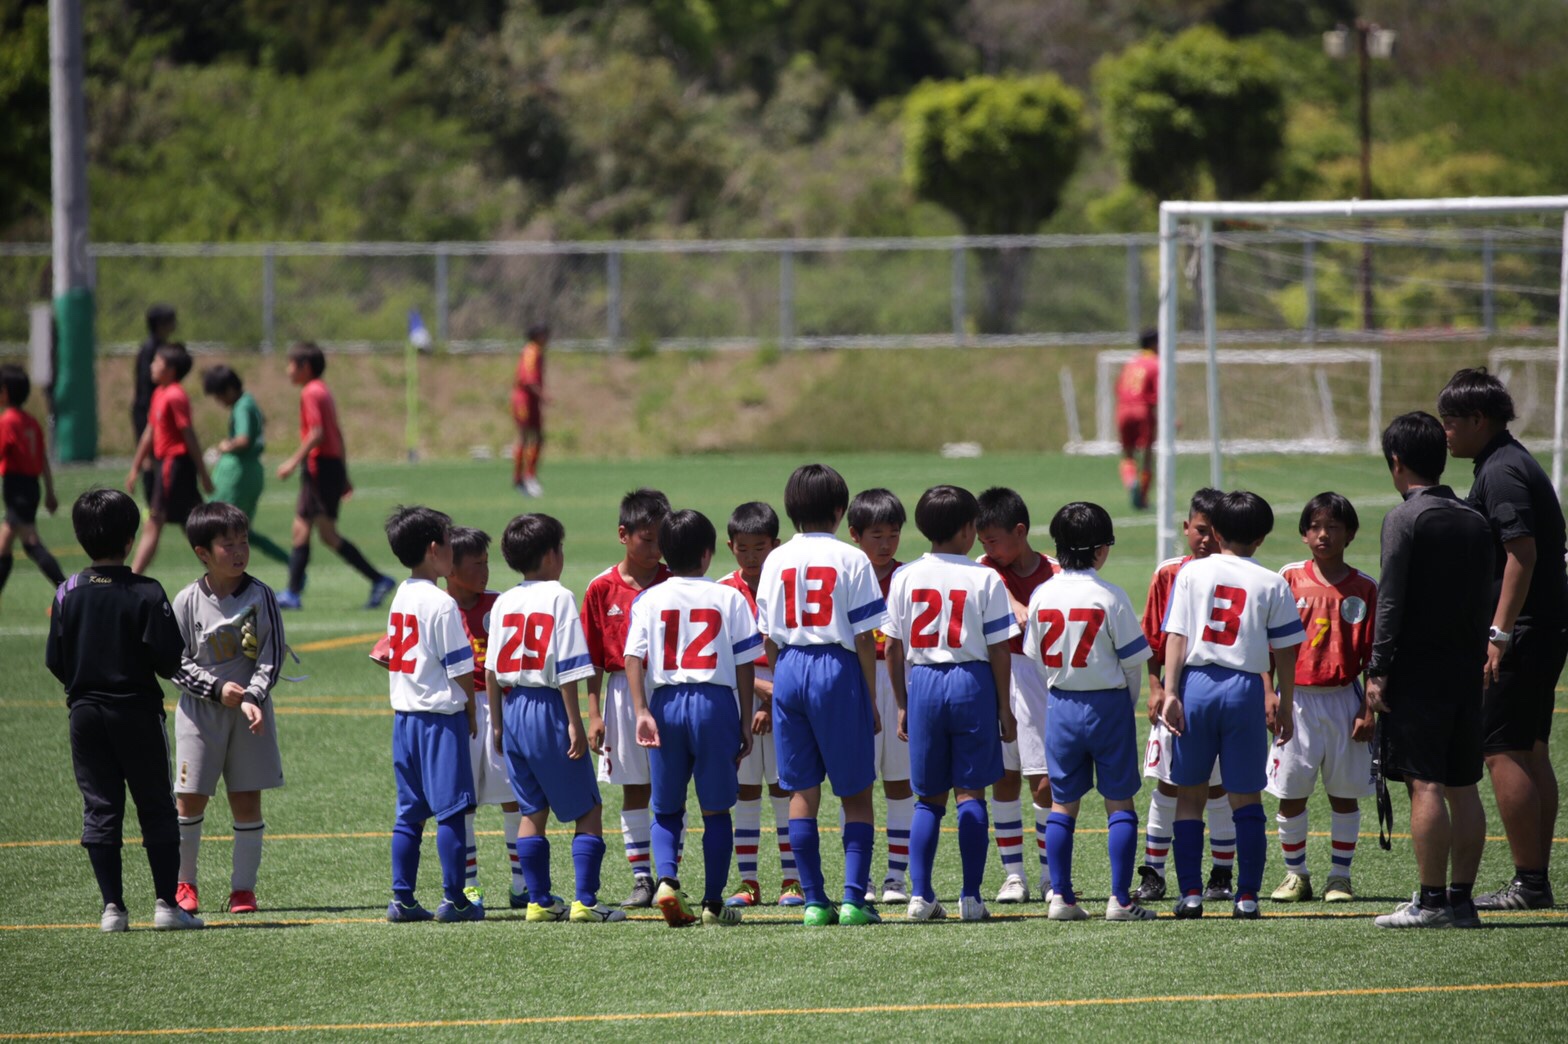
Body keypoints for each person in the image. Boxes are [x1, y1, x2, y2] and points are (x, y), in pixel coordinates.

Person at [45, 488, 203, 931]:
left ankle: (112, 908)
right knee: (155, 805)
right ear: (131, 539)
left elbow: (55, 659)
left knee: (100, 807)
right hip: (136, 711)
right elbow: (169, 660)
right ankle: (167, 905)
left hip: (84, 714)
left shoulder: (67, 592)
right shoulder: (147, 592)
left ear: (80, 538)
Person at [1439, 368, 1567, 911]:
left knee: (1502, 751)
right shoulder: (1504, 461)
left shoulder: (1503, 471)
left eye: (1450, 422)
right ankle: (1534, 880)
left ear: (1478, 419)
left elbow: (1522, 554)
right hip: (1541, 627)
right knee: (1531, 749)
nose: (1445, 432)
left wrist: (1499, 632)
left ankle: (1529, 881)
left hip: (1524, 631)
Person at [1367, 412, 1493, 929]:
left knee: (1426, 784)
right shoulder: (1474, 518)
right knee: (1464, 785)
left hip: (1419, 670)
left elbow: (1391, 600)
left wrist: (1378, 668)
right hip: (1466, 667)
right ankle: (1462, 901)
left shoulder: (1406, 518)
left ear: (1396, 462)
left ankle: (1431, 900)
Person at [1159, 490, 1304, 919]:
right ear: (1260, 538)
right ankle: (1247, 896)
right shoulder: (1272, 582)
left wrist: (1171, 691)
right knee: (1246, 798)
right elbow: (1286, 651)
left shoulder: (1192, 572)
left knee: (1190, 795)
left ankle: (1190, 894)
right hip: (1244, 688)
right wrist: (1285, 701)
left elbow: (1177, 636)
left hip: (1198, 684)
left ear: (1217, 532)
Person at [754, 463, 888, 927]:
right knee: (856, 793)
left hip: (789, 665)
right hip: (837, 666)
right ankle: (853, 900)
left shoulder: (775, 559)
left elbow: (767, 633)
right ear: (839, 510)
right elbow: (866, 636)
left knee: (801, 790)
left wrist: (784, 677)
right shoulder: (852, 558)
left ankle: (813, 901)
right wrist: (869, 696)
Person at [884, 485, 1017, 922]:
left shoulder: (905, 576)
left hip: (923, 681)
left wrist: (902, 702)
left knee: (927, 799)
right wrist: (1003, 707)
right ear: (966, 529)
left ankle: (920, 895)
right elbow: (999, 648)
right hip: (970, 681)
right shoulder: (984, 577)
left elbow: (892, 647)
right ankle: (971, 897)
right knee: (970, 793)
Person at [485, 513, 624, 924]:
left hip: (513, 707)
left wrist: (498, 723)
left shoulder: (504, 601)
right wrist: (574, 722)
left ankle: (539, 901)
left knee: (532, 810)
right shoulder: (560, 597)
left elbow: (491, 670)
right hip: (548, 708)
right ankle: (586, 901)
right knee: (589, 808)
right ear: (550, 555)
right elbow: (567, 670)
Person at [627, 509, 761, 927]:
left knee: (667, 809)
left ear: (665, 552)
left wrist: (641, 710)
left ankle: (667, 881)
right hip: (713, 703)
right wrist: (744, 719)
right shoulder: (729, 597)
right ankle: (713, 904)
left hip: (665, 701)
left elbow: (632, 657)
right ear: (708, 553)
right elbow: (745, 663)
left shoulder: (649, 598)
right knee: (716, 810)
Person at [1023, 502, 1156, 922]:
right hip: (1107, 704)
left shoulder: (1042, 594)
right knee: (1119, 803)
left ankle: (1060, 897)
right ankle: (1120, 900)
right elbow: (1133, 663)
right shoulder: (1110, 595)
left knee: (1062, 804)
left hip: (1061, 703)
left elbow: (1035, 657)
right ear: (1101, 549)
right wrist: (1123, 702)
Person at [167, 502, 286, 916]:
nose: (239, 552)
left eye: (244, 542)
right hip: (199, 715)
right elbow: (175, 662)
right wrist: (217, 689)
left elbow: (271, 656)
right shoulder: (186, 600)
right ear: (202, 553)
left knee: (247, 800)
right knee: (190, 800)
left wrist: (252, 696)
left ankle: (243, 890)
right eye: (228, 545)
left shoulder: (260, 596)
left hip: (251, 715)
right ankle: (184, 884)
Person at [1266, 493, 1377, 903]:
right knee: (1291, 792)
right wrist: (1268, 692)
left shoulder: (1365, 588)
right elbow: (1268, 642)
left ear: (1350, 534)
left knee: (1343, 794)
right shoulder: (1288, 578)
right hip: (1295, 701)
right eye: (1315, 527)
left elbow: (1375, 656)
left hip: (1344, 700)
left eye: (1333, 527)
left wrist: (1368, 709)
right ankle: (1295, 874)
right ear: (1304, 534)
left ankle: (1339, 877)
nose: (1323, 535)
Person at [1133, 488, 1240, 904]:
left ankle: (1221, 873)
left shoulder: (1237, 573)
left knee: (1218, 788)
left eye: (1214, 531)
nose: (1206, 539)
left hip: (1222, 691)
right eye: (1199, 530)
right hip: (1177, 690)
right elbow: (1153, 638)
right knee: (1167, 783)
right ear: (1186, 527)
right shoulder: (1168, 573)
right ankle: (1154, 872)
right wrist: (1156, 686)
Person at [381, 506, 481, 924]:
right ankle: (455, 900)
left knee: (409, 814)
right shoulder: (442, 603)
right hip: (439, 719)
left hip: (404, 719)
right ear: (435, 549)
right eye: (449, 541)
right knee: (452, 811)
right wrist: (471, 710)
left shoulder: (402, 594)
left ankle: (401, 898)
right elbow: (461, 669)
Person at [582, 488, 673, 907]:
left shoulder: (673, 582)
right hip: (621, 695)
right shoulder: (601, 588)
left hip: (669, 686)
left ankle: (669, 876)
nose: (656, 549)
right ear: (624, 535)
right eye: (647, 539)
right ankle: (642, 878)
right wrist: (593, 714)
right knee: (635, 788)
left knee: (669, 787)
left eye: (661, 540)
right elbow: (593, 660)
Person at [975, 486, 1058, 903]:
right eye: (982, 541)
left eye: (993, 540)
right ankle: (1014, 876)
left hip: (1039, 678)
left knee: (1043, 782)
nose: (987, 549)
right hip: (997, 675)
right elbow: (986, 578)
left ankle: (1049, 875)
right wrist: (1011, 601)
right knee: (1003, 777)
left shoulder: (1056, 571)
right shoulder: (985, 569)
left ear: (1020, 532)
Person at [718, 501, 802, 908]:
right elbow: (719, 654)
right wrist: (756, 694)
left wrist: (773, 697)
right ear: (730, 546)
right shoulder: (721, 591)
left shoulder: (788, 584)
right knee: (746, 791)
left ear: (776, 545)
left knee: (785, 789)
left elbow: (795, 646)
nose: (751, 557)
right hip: (740, 702)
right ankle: (748, 881)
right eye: (743, 548)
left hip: (786, 698)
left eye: (760, 548)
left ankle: (793, 880)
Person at [274, 342, 394, 611]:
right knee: (324, 534)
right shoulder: (322, 390)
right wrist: (343, 473)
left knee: (305, 529)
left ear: (305, 367)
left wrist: (292, 462)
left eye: (291, 364)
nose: (287, 370)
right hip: (329, 467)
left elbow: (317, 434)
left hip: (319, 468)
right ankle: (378, 579)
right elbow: (336, 434)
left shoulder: (310, 392)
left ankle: (293, 593)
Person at [846, 488, 913, 903]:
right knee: (860, 784)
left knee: (900, 783)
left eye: (893, 534)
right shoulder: (848, 575)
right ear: (855, 535)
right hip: (857, 683)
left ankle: (896, 878)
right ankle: (863, 878)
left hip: (901, 683)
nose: (886, 544)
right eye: (877, 536)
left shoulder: (907, 577)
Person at [125, 344, 213, 574]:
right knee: (193, 523)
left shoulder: (175, 395)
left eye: (157, 362)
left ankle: (131, 578)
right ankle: (222, 572)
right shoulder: (159, 393)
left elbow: (189, 434)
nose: (152, 366)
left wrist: (203, 473)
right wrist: (135, 467)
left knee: (156, 521)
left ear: (171, 369)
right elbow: (149, 433)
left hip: (175, 465)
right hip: (167, 465)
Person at [199, 365, 289, 565]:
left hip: (238, 476)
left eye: (219, 395)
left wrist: (224, 446)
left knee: (218, 525)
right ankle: (293, 565)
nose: (218, 401)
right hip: (250, 472)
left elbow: (243, 439)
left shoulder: (242, 406)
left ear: (229, 389)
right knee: (238, 530)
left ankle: (224, 572)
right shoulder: (249, 402)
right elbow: (261, 422)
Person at [0, 364, 65, 604]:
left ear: (5, 392)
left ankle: (66, 590)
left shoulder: (7, 421)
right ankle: (65, 590)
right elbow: (43, 459)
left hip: (16, 487)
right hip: (31, 487)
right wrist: (49, 491)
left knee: (30, 542)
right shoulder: (31, 422)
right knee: (5, 545)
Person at [131, 304, 177, 503]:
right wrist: (154, 411)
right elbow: (145, 384)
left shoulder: (159, 346)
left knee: (158, 457)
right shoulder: (152, 348)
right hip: (147, 409)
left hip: (155, 408)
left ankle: (158, 501)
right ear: (160, 324)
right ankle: (152, 503)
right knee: (150, 458)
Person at [1116, 328, 1159, 510]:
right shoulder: (1156, 364)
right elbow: (1159, 393)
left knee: (1128, 455)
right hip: (1143, 410)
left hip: (1123, 410)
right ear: (1154, 344)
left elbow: (1119, 388)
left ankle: (1131, 481)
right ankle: (1142, 497)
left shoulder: (1130, 363)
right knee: (1147, 455)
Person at [511, 324, 548, 497]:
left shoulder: (537, 351)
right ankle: (523, 478)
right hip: (524, 400)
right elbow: (528, 378)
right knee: (525, 437)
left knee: (538, 437)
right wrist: (542, 394)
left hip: (532, 399)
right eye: (543, 334)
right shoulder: (531, 351)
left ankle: (526, 476)